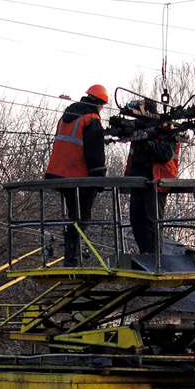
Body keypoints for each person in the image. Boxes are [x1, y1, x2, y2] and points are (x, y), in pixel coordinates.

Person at [45, 84, 109, 266]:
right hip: (77, 177)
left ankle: (71, 256)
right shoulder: (91, 119)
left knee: (73, 217)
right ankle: (72, 259)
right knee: (80, 218)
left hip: (57, 174)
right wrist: (99, 179)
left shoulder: (68, 116)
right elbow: (95, 154)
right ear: (99, 103)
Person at [124, 98, 180, 255]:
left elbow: (165, 154)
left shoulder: (168, 129)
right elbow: (132, 158)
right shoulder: (140, 131)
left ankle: (154, 258)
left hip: (157, 183)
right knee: (137, 221)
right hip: (138, 182)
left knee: (152, 222)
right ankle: (146, 254)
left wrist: (147, 142)